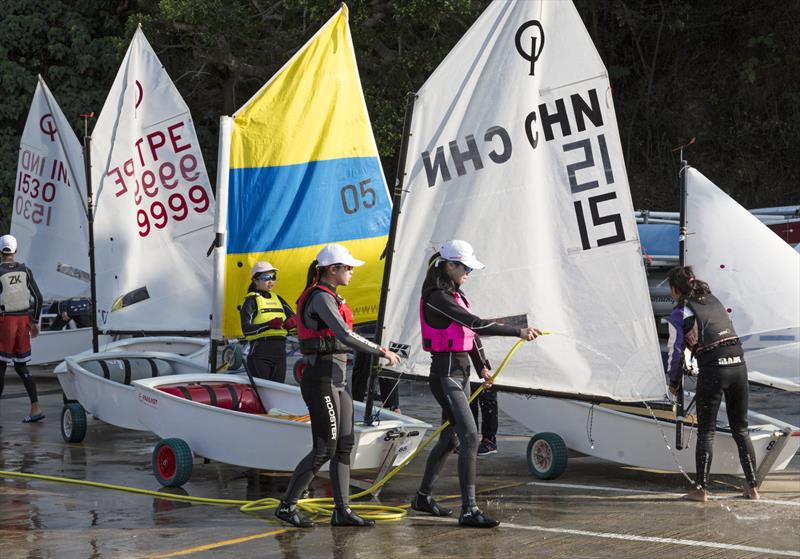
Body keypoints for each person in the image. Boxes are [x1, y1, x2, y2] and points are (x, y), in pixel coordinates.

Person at [411, 240, 541, 528]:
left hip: (461, 374)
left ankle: (422, 497)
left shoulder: (456, 295)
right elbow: (478, 323)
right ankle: (469, 510)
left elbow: (470, 334)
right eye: (466, 267)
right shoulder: (438, 298)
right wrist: (518, 331)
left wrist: (483, 366)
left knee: (450, 439)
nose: (470, 272)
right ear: (450, 265)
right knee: (470, 437)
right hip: (445, 376)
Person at [275, 244, 401, 528]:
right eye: (348, 267)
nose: (352, 271)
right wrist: (381, 351)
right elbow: (344, 334)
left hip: (338, 382)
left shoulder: (331, 296)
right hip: (321, 381)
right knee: (324, 448)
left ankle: (342, 511)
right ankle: (287, 506)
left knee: (344, 446)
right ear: (332, 270)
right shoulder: (320, 297)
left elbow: (343, 336)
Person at [665, 265, 759, 502]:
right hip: (739, 366)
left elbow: (675, 352)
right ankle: (753, 487)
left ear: (676, 289)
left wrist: (673, 382)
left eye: (671, 290)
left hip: (715, 370)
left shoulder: (680, 312)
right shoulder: (713, 300)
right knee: (741, 429)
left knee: (706, 432)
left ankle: (701, 490)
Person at [0, 234, 45, 423]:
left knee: (1, 367)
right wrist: (34, 321)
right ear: (16, 251)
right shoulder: (26, 270)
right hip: (23, 320)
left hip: (5, 321)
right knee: (21, 366)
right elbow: (39, 298)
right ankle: (35, 408)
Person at [239, 261, 296, 383]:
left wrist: (291, 323)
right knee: (263, 394)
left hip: (280, 354)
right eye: (266, 278)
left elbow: (294, 318)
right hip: (260, 355)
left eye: (273, 277)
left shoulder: (278, 298)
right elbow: (246, 330)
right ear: (255, 280)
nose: (271, 281)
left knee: (278, 391)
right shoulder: (251, 301)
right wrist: (268, 325)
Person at [470, 387, 498, 455]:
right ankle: (471, 440)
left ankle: (489, 441)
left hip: (488, 378)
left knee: (487, 400)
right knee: (470, 401)